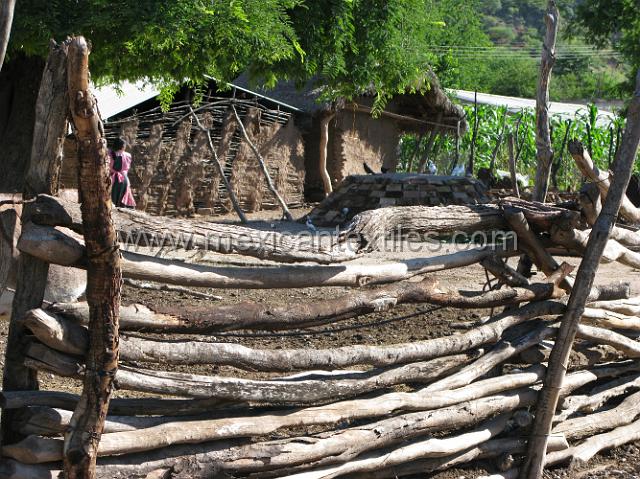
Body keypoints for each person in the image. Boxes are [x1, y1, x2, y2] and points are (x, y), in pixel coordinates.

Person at [109, 137, 136, 208]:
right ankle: (122, 206)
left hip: (110, 178)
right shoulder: (127, 156)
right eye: (124, 145)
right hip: (122, 179)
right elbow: (125, 170)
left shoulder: (108, 153)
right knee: (124, 193)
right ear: (122, 147)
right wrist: (127, 181)